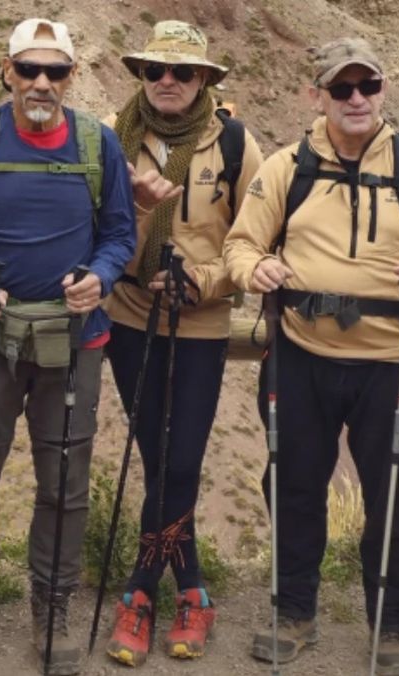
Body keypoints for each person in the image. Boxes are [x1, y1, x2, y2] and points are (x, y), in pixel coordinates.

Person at [222, 37, 399, 673]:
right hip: (301, 355)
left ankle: (390, 628)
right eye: (342, 88)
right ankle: (293, 612)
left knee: (389, 494)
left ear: (383, 91)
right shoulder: (286, 167)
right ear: (318, 96)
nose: (356, 99)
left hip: (396, 361)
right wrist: (258, 271)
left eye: (368, 86)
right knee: (294, 485)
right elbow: (240, 245)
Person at [0, 17, 136, 676]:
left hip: (74, 341)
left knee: (66, 483)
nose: (42, 82)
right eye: (29, 68)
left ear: (72, 78)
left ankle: (54, 609)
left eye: (57, 71)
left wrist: (100, 277)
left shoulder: (99, 146)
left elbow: (120, 235)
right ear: (7, 72)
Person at [100, 19, 264, 667]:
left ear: (204, 80)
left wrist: (205, 279)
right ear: (142, 76)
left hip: (199, 324)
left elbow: (253, 240)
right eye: (155, 71)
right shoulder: (113, 141)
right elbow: (98, 226)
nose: (167, 82)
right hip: (129, 319)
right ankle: (189, 591)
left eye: (183, 72)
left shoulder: (236, 144)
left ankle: (144, 592)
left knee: (181, 462)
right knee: (163, 458)